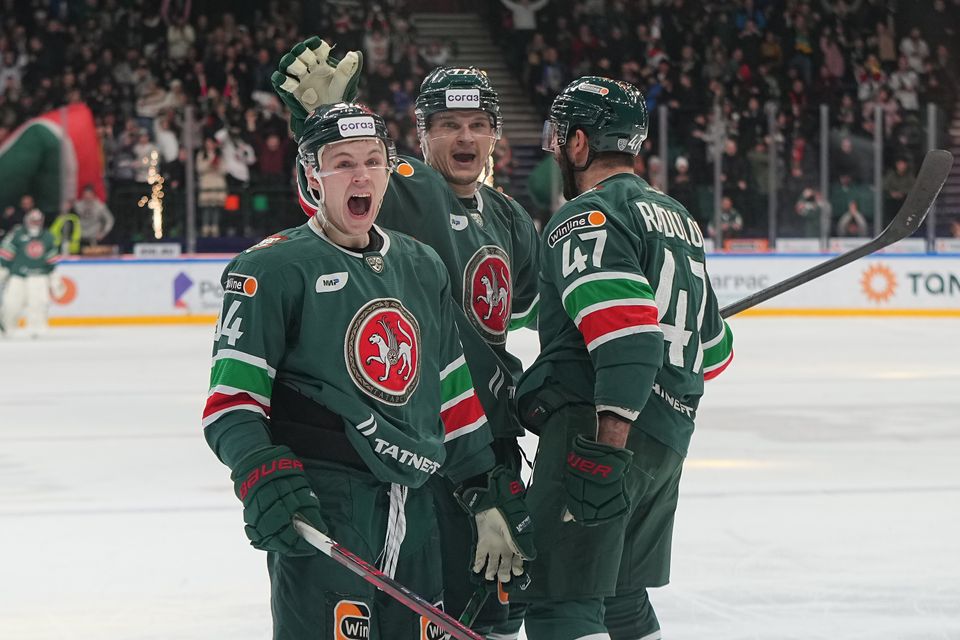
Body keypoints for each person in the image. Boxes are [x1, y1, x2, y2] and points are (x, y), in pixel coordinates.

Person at [202, 103, 534, 640]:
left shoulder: (421, 264)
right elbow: (231, 404)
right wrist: (262, 470)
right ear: (313, 175)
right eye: (343, 163)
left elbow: (452, 392)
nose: (362, 176)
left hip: (420, 506)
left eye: (373, 161)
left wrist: (483, 489)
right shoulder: (271, 268)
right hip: (329, 505)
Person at [508, 77, 734, 640]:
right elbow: (715, 351)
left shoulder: (587, 217)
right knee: (622, 597)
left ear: (579, 143)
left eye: (561, 138)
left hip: (599, 435)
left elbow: (630, 340)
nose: (557, 150)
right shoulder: (679, 220)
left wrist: (604, 455)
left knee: (561, 602)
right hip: (666, 442)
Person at [0, 209, 64, 337]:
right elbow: (5, 256)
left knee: (38, 303)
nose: (35, 223)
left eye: (38, 221)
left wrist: (54, 279)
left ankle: (37, 329)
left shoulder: (48, 237)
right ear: (27, 220)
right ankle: (7, 327)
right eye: (33, 220)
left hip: (39, 276)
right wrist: (3, 272)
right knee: (11, 303)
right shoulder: (17, 234)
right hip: (17, 276)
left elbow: (51, 262)